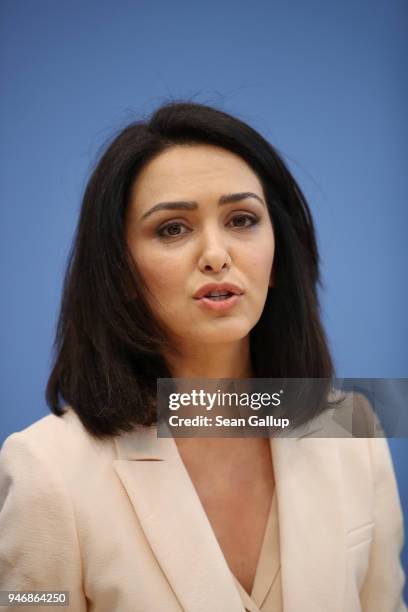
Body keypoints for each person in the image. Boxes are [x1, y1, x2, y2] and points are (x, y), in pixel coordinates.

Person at [0, 102, 405, 611]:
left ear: (277, 256)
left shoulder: (355, 429)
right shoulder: (47, 469)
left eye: (242, 219)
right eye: (173, 228)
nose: (216, 254)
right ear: (120, 272)